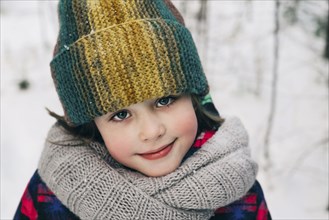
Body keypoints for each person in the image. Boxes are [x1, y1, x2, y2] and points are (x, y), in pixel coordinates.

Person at [14, 0, 271, 219]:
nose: (151, 131)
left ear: (193, 94)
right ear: (92, 124)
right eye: (120, 114)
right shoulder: (57, 191)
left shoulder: (234, 186)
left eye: (165, 100)